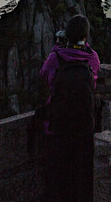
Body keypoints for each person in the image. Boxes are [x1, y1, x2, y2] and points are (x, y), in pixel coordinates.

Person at [39, 15, 100, 202]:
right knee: (81, 175)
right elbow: (94, 82)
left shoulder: (56, 57)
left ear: (66, 34)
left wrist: (57, 48)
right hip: (84, 127)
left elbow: (43, 76)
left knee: (59, 175)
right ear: (86, 36)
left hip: (58, 125)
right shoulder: (92, 57)